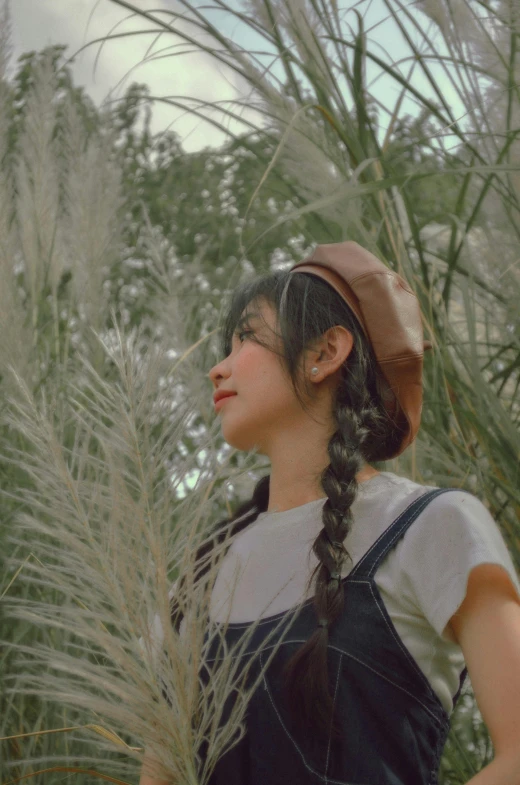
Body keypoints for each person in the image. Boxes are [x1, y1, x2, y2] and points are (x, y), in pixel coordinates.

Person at [140, 241, 520, 785]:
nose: (217, 369)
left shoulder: (432, 524)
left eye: (245, 337)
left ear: (324, 353)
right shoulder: (201, 573)